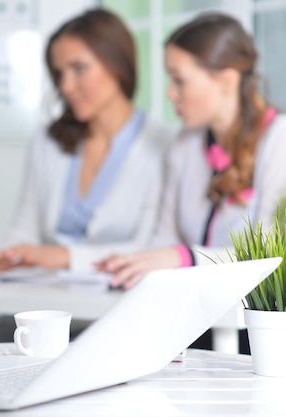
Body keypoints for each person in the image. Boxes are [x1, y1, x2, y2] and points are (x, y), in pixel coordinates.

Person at [0, 9, 175, 342]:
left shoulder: (165, 146)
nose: (66, 86)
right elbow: (25, 228)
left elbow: (148, 249)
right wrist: (3, 256)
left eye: (79, 69)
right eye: (59, 73)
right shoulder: (49, 141)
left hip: (120, 313)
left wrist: (60, 257)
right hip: (48, 310)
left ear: (117, 62)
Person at [96, 13, 286, 352]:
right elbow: (163, 242)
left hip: (257, 333)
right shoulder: (185, 145)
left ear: (226, 81)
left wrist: (183, 257)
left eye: (179, 80)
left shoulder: (279, 140)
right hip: (191, 322)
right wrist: (133, 263)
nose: (170, 94)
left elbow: (272, 257)